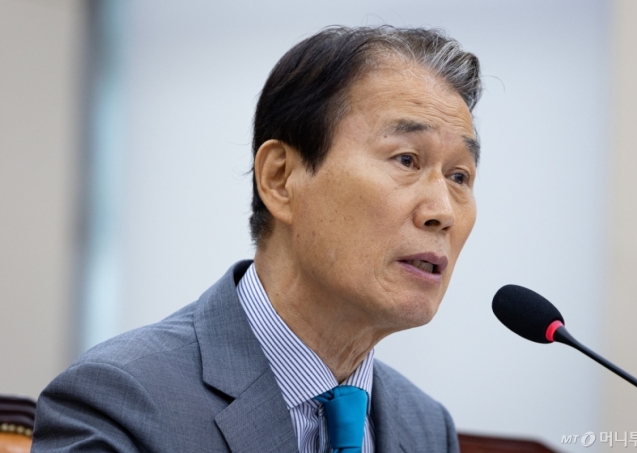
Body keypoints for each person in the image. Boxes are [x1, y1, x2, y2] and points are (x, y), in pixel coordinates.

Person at [32, 25, 481, 453]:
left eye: (459, 176)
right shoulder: (122, 401)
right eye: (406, 160)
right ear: (281, 178)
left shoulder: (426, 427)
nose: (442, 211)